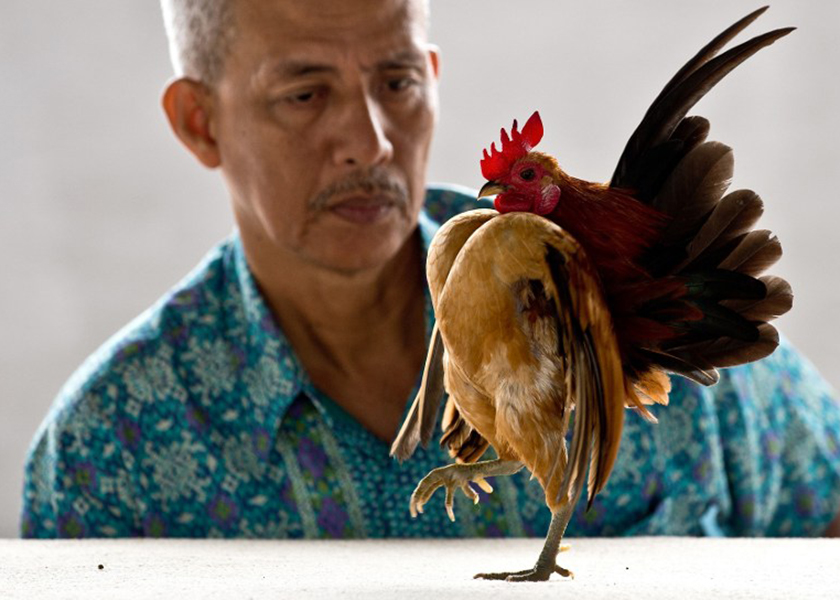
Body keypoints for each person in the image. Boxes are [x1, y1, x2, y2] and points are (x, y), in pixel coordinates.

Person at [21, 0, 840, 539]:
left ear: (434, 81)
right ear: (200, 123)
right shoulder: (112, 442)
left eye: (397, 81)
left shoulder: (618, 289)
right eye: (306, 94)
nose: (371, 141)